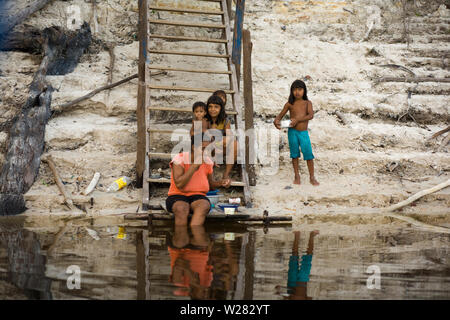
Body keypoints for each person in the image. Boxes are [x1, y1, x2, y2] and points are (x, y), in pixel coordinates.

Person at [166, 134, 231, 226]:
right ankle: (181, 237)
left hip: (198, 196)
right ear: (193, 147)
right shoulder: (179, 159)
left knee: (204, 205)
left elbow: (211, 185)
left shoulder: (208, 161)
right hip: (177, 195)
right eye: (203, 148)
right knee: (181, 208)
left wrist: (221, 183)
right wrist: (195, 165)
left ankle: (196, 236)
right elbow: (179, 184)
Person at [273, 80, 319, 186]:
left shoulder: (308, 103)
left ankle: (312, 177)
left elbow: (310, 115)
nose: (297, 92)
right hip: (292, 132)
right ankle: (296, 176)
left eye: (300, 89)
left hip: (303, 133)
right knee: (294, 154)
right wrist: (276, 121)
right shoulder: (290, 104)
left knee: (308, 154)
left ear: (304, 90)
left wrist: (298, 120)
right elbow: (279, 116)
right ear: (291, 91)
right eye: (294, 90)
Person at [168, 224, 214, 299]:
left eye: (203, 296)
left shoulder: (180, 289)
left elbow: (179, 262)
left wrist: (192, 277)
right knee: (204, 239)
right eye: (207, 296)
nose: (206, 294)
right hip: (201, 246)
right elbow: (209, 262)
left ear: (194, 295)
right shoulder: (206, 283)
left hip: (180, 246)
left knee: (183, 239)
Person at [275, 230, 319, 300]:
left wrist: (279, 292)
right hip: (303, 281)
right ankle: (311, 236)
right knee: (308, 256)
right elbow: (310, 298)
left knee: (294, 255)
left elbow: (286, 296)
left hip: (292, 281)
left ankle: (297, 235)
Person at [205, 95, 238, 180]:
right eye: (210, 107)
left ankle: (226, 174)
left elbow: (229, 137)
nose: (213, 109)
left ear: (221, 109)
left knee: (234, 144)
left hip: (218, 148)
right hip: (205, 149)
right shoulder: (204, 120)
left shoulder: (225, 120)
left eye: (216, 107)